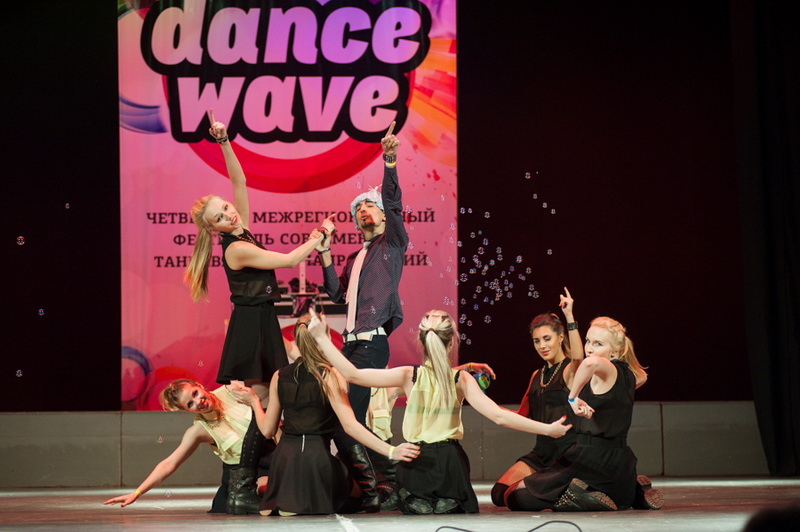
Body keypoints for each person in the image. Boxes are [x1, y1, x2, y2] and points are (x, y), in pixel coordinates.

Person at [308, 308, 572, 514]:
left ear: (422, 341)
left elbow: (352, 374)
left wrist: (321, 338)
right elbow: (499, 416)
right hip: (450, 468)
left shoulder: (408, 376)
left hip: (415, 464)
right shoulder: (460, 379)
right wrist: (548, 429)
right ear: (451, 342)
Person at [184, 111, 332, 403]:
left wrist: (224, 141)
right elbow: (289, 260)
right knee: (263, 400)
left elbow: (239, 182)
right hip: (251, 324)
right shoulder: (236, 249)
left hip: (261, 317)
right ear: (213, 229)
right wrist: (319, 236)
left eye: (225, 207)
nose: (229, 214)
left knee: (277, 389)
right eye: (219, 217)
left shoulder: (242, 231)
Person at [232, 314, 419, 516]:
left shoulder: (279, 375)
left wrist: (255, 402)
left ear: (298, 339)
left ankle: (287, 500)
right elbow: (351, 426)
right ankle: (304, 501)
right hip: (317, 461)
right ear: (326, 337)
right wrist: (391, 451)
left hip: (283, 465)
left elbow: (268, 431)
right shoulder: (330, 375)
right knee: (358, 496)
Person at [314, 121, 408, 510]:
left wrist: (389, 161)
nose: (364, 210)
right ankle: (381, 485)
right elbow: (336, 294)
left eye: (370, 205)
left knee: (347, 420)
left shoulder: (393, 242)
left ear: (384, 216)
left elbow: (394, 201)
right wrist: (324, 253)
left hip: (371, 343)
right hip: (349, 347)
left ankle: (385, 485)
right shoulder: (355, 257)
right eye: (359, 209)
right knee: (343, 418)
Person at [505, 316, 650, 512]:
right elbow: (639, 379)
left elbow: (590, 364)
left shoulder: (609, 368)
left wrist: (572, 398)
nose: (589, 348)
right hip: (619, 465)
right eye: (588, 341)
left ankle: (581, 498)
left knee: (516, 497)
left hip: (592, 461)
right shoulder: (629, 376)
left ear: (615, 351)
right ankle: (634, 491)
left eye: (598, 344)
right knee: (520, 492)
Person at [103, 379, 272, 514]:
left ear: (199, 385)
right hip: (246, 473)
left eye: (195, 393)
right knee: (269, 487)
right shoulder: (198, 431)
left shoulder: (232, 390)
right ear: (187, 411)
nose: (198, 402)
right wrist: (137, 493)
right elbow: (170, 463)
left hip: (272, 452)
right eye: (190, 404)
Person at [491, 288, 583, 507]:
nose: (542, 346)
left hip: (567, 455)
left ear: (561, 337)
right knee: (499, 494)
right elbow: (522, 415)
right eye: (537, 341)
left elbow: (579, 358)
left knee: (518, 498)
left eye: (547, 339)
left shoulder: (570, 369)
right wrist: (486, 406)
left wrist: (570, 317)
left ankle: (585, 489)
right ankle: (564, 492)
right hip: (541, 454)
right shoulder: (536, 375)